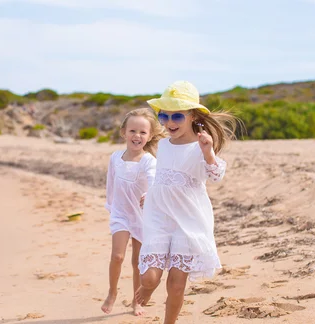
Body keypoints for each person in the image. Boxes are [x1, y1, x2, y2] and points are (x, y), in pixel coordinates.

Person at [135, 81, 238, 323]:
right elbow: (165, 176)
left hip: (188, 220)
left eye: (177, 116)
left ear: (192, 115)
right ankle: (147, 289)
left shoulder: (201, 145)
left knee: (176, 284)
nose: (170, 122)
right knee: (149, 278)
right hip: (159, 215)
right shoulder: (162, 144)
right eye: (164, 116)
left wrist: (208, 152)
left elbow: (215, 175)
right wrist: (151, 193)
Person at [101, 107, 165, 316]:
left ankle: (136, 300)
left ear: (150, 136)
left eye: (143, 132)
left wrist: (152, 195)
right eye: (133, 131)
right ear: (124, 132)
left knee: (137, 261)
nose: (137, 136)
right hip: (120, 213)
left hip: (141, 216)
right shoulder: (115, 158)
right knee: (117, 256)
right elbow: (110, 184)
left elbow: (155, 181)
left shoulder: (149, 161)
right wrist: (111, 206)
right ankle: (112, 292)